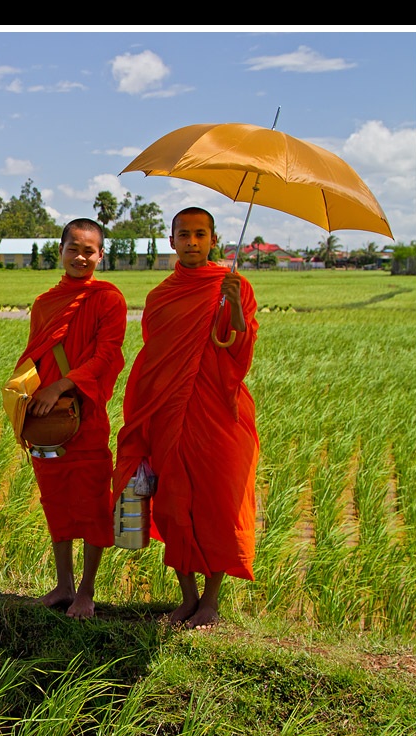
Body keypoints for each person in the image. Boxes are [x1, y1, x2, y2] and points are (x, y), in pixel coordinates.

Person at [111, 206, 259, 630]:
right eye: (184, 234)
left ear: (213, 239)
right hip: (169, 413)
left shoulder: (234, 286)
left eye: (200, 234)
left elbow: (238, 354)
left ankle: (211, 601)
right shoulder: (161, 296)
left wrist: (231, 307)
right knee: (173, 504)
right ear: (170, 240)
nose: (192, 242)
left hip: (219, 413)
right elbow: (155, 360)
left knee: (217, 503)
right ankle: (187, 597)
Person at [17, 218, 127, 618]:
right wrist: (25, 399)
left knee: (94, 503)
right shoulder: (46, 303)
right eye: (73, 248)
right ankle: (62, 585)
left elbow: (106, 356)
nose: (81, 257)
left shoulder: (108, 299)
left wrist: (61, 386)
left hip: (86, 414)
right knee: (56, 501)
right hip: (49, 420)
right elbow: (36, 356)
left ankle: (86, 591)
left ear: (100, 255)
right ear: (60, 250)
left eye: (89, 250)